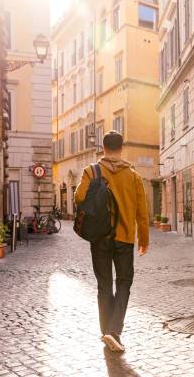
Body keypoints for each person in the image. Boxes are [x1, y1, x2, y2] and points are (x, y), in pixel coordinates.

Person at [74, 130, 149, 352]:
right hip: (125, 238)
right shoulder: (133, 176)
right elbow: (142, 212)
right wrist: (143, 239)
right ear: (121, 148)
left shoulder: (91, 171)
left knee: (104, 285)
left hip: (99, 238)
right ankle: (114, 331)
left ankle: (106, 331)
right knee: (124, 282)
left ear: (104, 148)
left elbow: (78, 197)